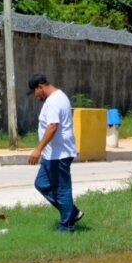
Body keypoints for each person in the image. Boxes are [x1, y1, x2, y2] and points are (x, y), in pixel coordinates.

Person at [27, 74, 83, 233]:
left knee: (62, 190)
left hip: (60, 154)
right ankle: (72, 212)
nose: (35, 96)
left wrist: (38, 149)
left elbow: (53, 126)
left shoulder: (53, 102)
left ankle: (67, 227)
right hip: (53, 154)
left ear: (40, 87)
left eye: (34, 92)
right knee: (41, 183)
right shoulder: (60, 96)